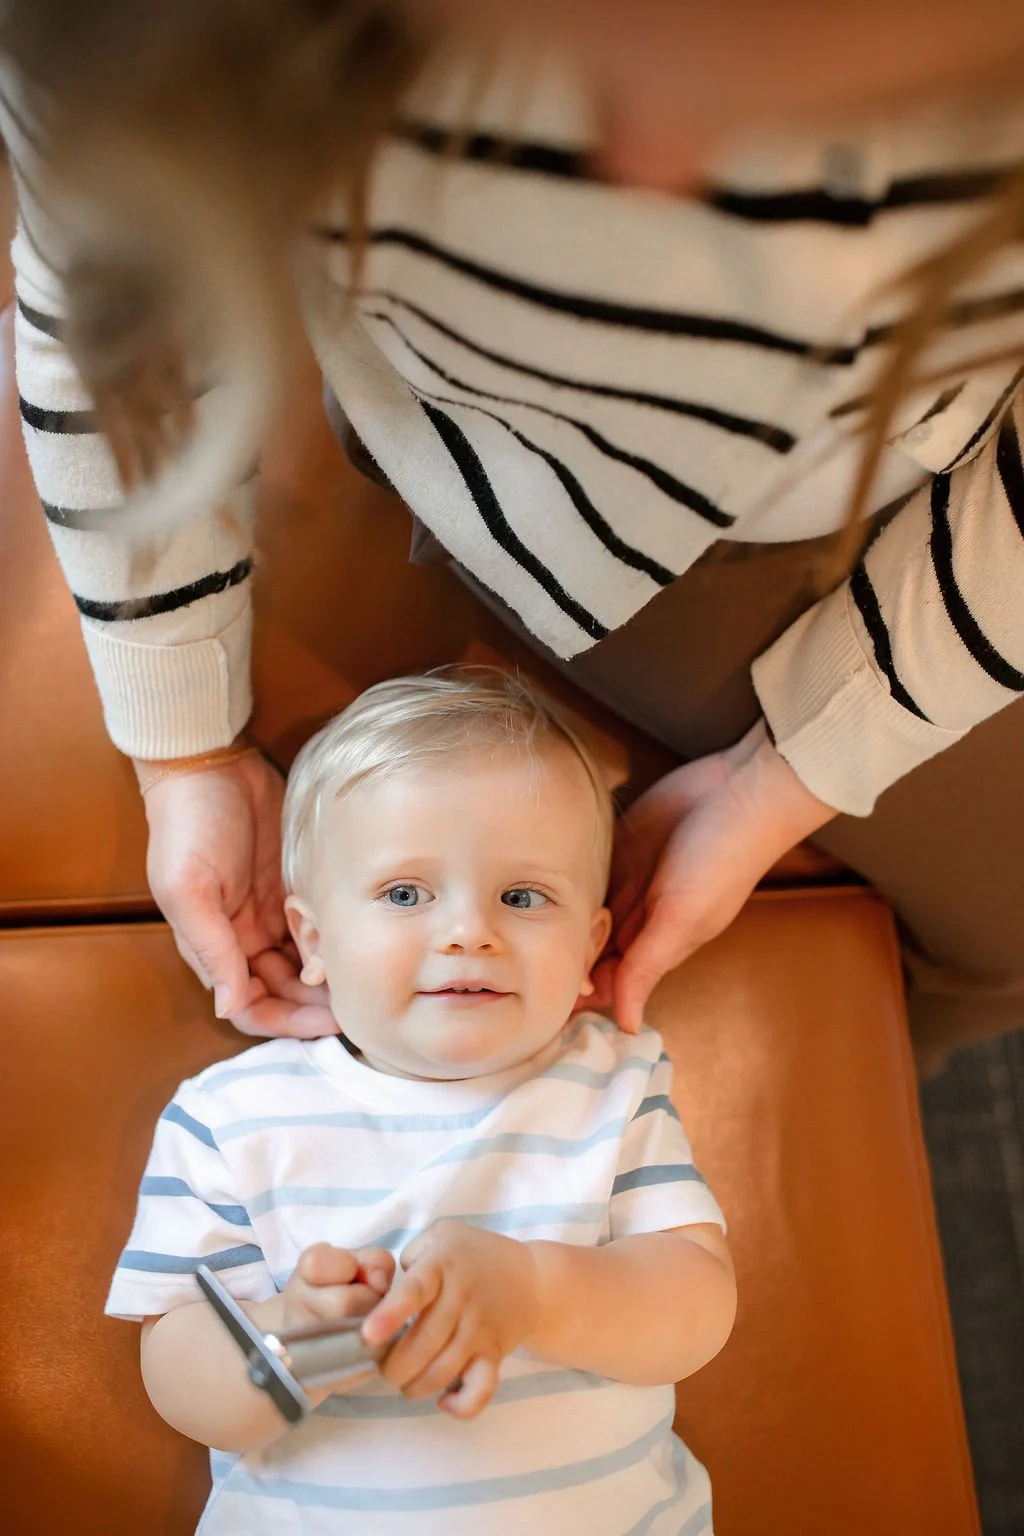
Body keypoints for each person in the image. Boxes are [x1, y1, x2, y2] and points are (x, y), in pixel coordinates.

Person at [3, 0, 1024, 1068]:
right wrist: (183, 746)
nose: (659, 183)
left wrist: (792, 774)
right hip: (556, 499)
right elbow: (112, 306)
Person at [104, 668, 735, 1536]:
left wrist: (538, 1291)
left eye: (524, 896)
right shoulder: (233, 1117)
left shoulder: (611, 1084)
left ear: (592, 945)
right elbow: (179, 1378)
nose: (469, 929)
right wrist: (303, 1338)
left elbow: (695, 1308)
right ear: (314, 940)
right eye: (406, 894)